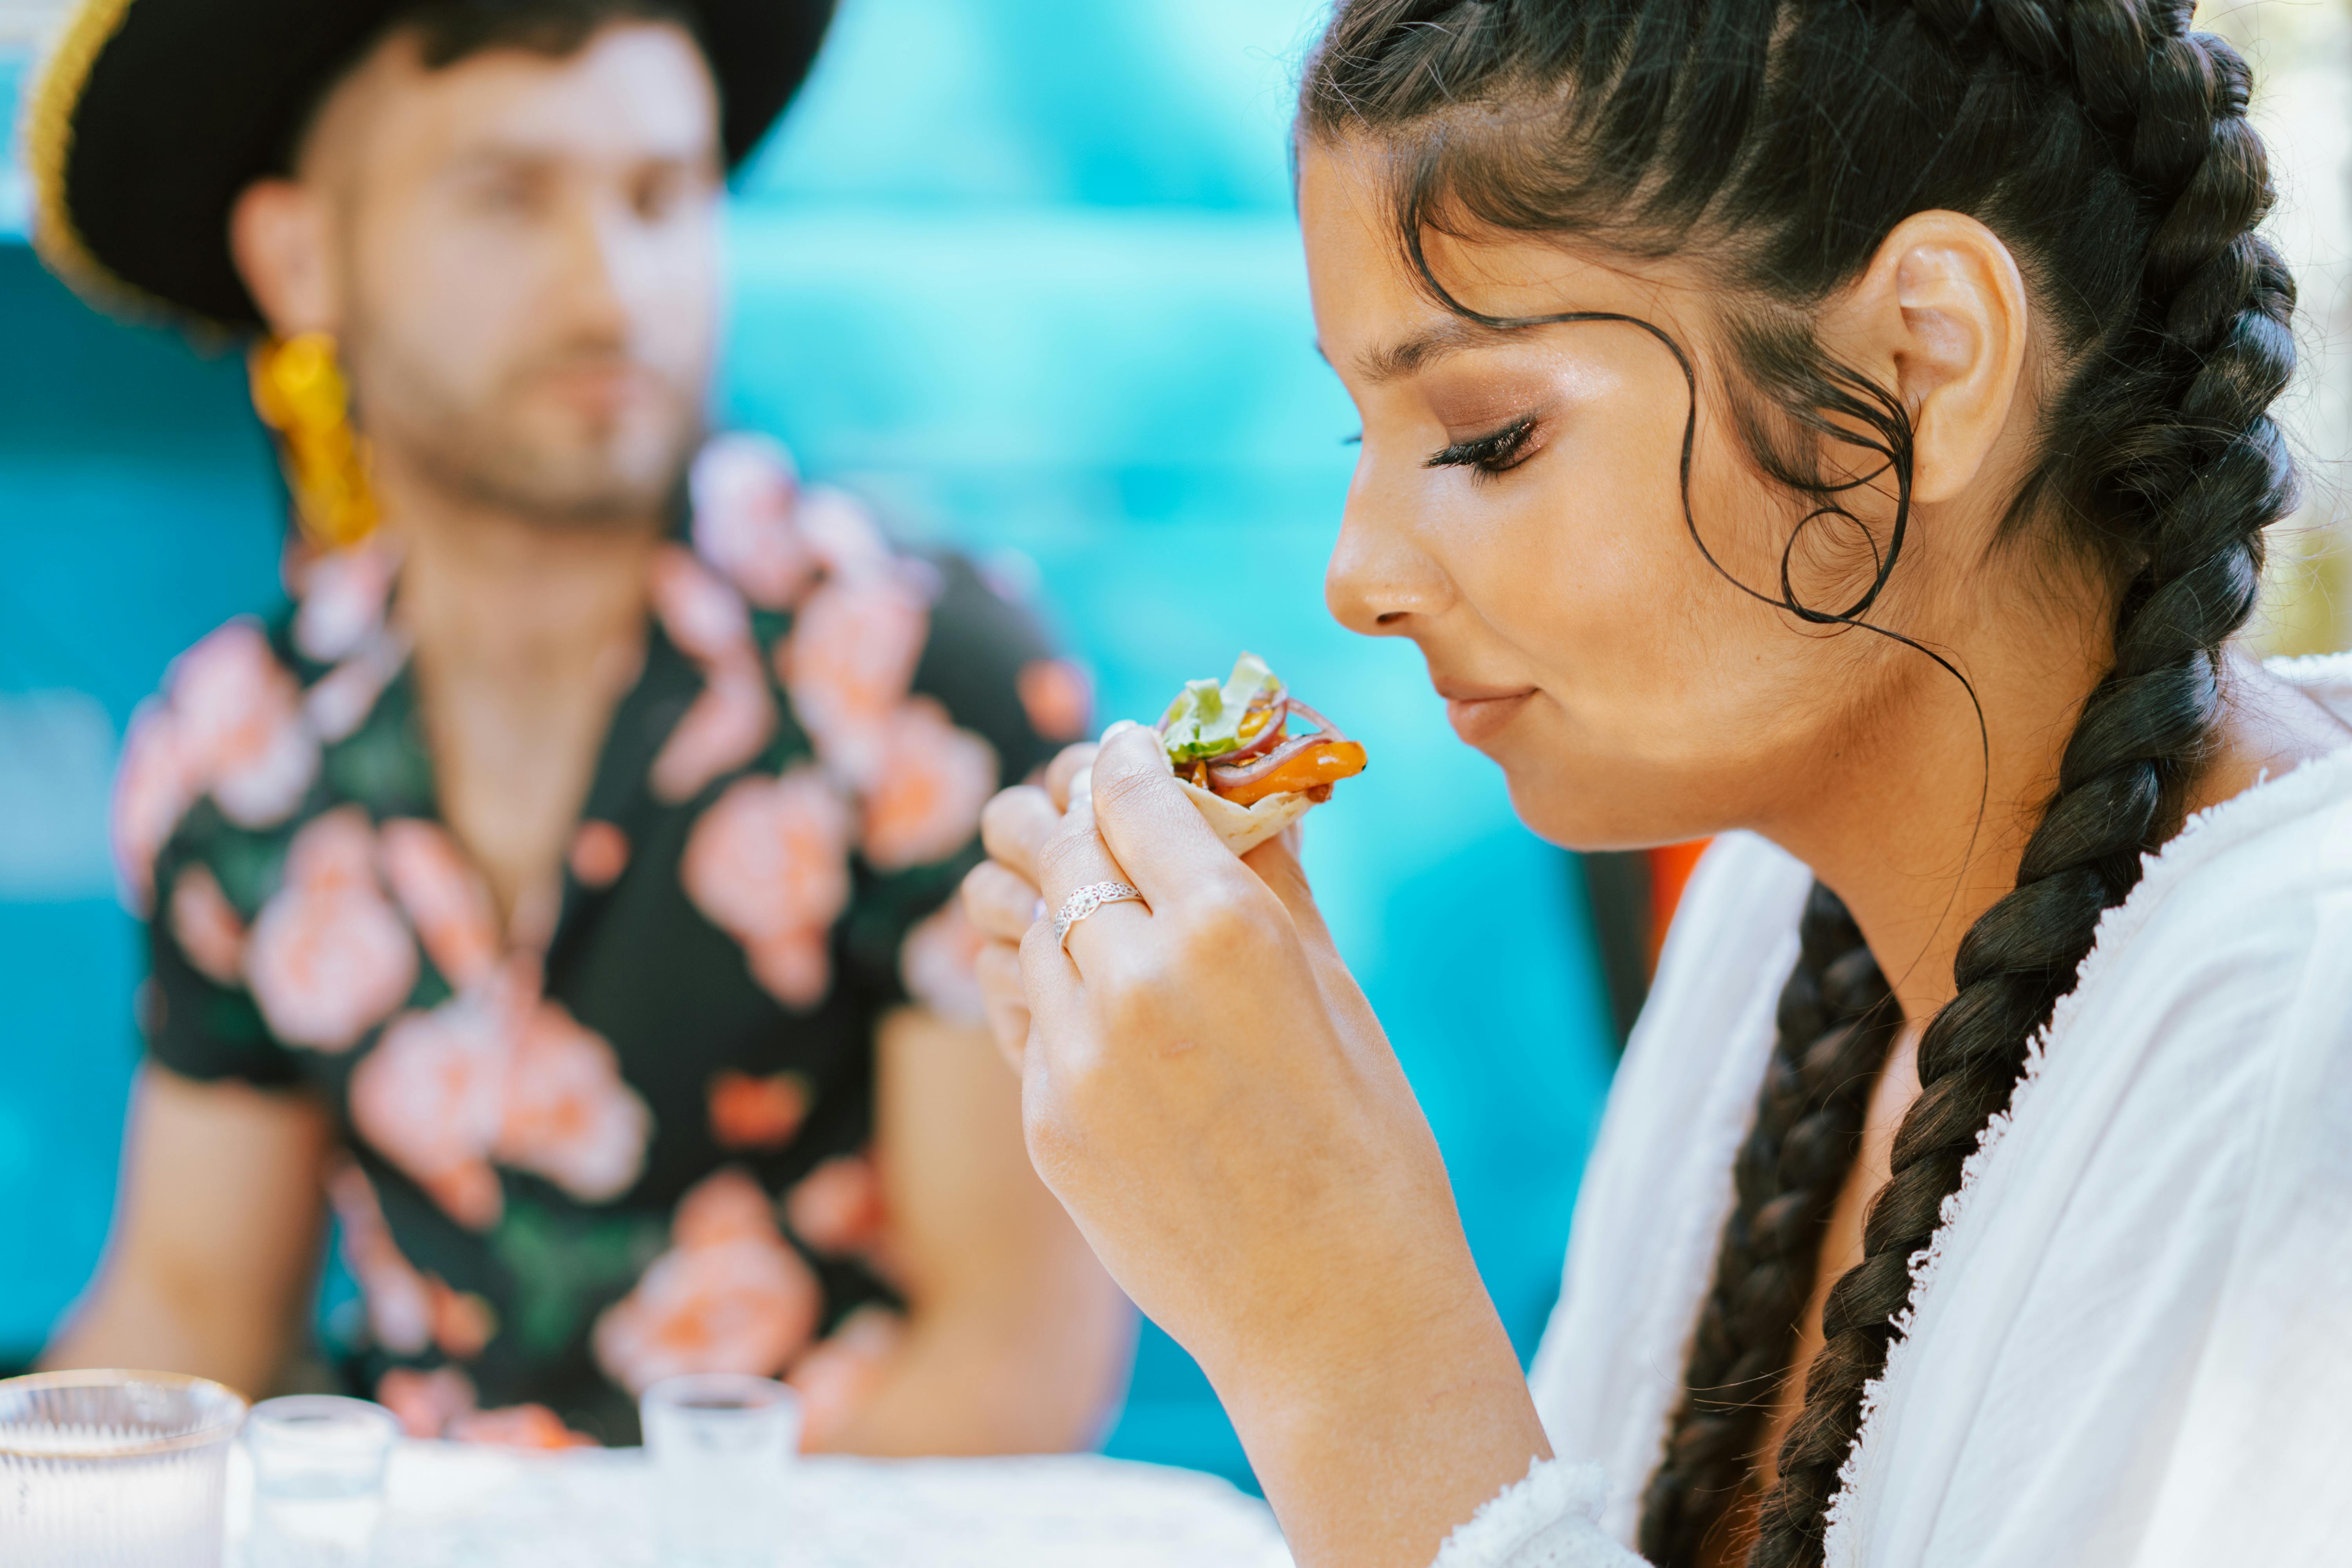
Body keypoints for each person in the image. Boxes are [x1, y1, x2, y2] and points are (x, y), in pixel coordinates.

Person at [963, 1, 2352, 1563]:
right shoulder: (1780, 913)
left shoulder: (2307, 1041)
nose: (1356, 577)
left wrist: (1334, 1329)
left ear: (1928, 361)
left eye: (1487, 435)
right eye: (1360, 426)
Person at [30, 0, 1129, 1450]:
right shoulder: (233, 753)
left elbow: (1009, 1371)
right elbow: (191, 1317)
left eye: (664, 196)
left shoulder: (919, 680)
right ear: (301, 256)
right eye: (508, 198)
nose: (616, 288)